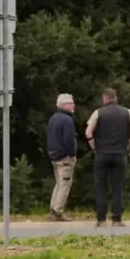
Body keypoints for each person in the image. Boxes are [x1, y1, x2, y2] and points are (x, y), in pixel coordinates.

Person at [85, 88, 130, 227]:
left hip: (102, 154)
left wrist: (94, 147)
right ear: (115, 98)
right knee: (117, 186)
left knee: (101, 186)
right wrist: (128, 144)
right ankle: (117, 219)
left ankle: (101, 219)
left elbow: (88, 132)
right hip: (120, 154)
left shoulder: (98, 112)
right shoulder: (126, 112)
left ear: (105, 98)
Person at [47, 93, 78, 222]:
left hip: (54, 156)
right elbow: (69, 139)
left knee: (59, 184)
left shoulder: (54, 118)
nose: (73, 105)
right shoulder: (67, 120)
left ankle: (53, 208)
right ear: (64, 105)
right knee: (65, 184)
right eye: (71, 103)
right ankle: (58, 212)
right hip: (65, 157)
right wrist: (72, 154)